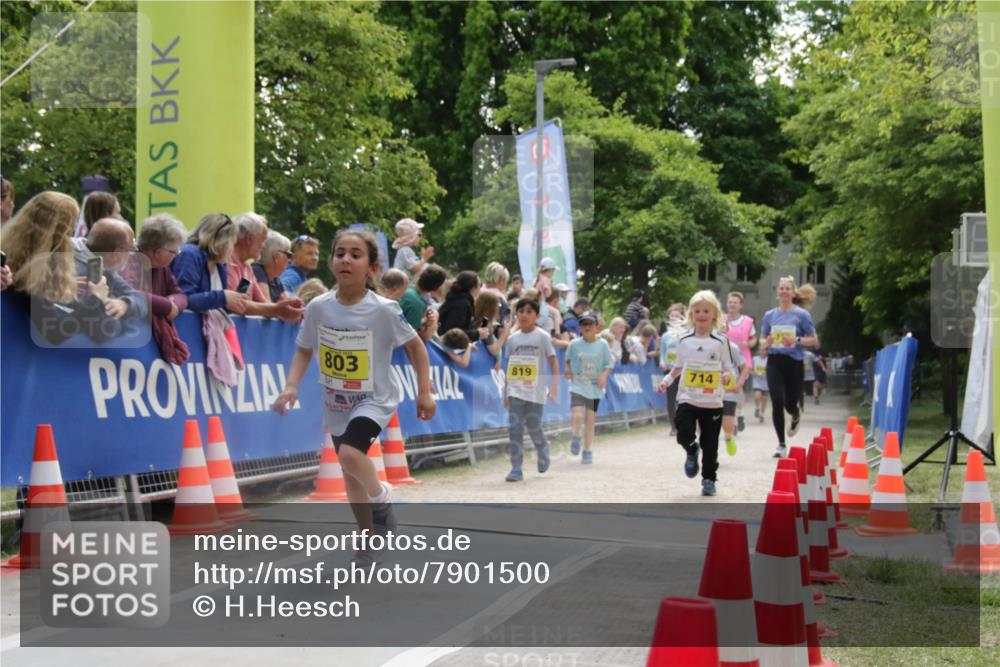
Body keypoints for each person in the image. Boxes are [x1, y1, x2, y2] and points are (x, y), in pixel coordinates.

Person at [272, 229, 435, 565]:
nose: (346, 260)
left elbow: (417, 348)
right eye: (340, 253)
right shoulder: (319, 307)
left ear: (372, 268)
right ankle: (368, 536)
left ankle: (382, 497)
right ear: (332, 261)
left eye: (356, 255)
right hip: (336, 402)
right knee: (350, 474)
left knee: (349, 455)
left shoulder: (384, 310)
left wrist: (424, 391)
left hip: (374, 399)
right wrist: (291, 386)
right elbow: (304, 349)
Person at [2, 191, 120, 343]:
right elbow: (54, 332)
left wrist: (61, 290)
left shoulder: (16, 257)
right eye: (70, 227)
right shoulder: (31, 273)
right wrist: (96, 299)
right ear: (59, 232)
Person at [657, 291, 737, 497]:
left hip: (712, 401)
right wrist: (666, 381)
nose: (701, 315)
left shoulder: (721, 341)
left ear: (714, 314)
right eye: (697, 311)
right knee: (683, 432)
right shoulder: (683, 339)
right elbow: (678, 366)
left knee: (711, 443)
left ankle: (709, 479)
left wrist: (727, 376)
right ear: (691, 314)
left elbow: (729, 367)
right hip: (688, 397)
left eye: (706, 311)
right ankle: (692, 449)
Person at [760, 276, 819, 458]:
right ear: (777, 292)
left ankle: (795, 412)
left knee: (789, 404)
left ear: (793, 293)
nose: (784, 291)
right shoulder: (769, 315)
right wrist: (767, 342)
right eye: (781, 288)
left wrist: (796, 339)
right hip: (774, 361)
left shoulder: (802, 315)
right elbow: (762, 340)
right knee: (777, 400)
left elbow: (814, 340)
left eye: (787, 288)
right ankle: (781, 444)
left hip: (794, 362)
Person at [503, 298, 559, 482]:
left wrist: (554, 387)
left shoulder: (542, 336)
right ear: (516, 315)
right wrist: (506, 391)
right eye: (521, 311)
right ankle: (516, 468)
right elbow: (509, 366)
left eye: (529, 312)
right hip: (515, 389)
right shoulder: (512, 339)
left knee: (534, 426)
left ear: (537, 315)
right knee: (515, 428)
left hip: (536, 390)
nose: (524, 315)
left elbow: (553, 362)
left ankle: (542, 447)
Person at [128, 213, 190, 364]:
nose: (176, 256)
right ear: (157, 252)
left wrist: (174, 304)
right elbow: (129, 293)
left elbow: (180, 295)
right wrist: (166, 306)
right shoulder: (128, 261)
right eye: (173, 252)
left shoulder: (162, 268)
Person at [229, 213, 304, 323]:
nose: (264, 246)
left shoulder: (246, 268)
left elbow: (262, 303)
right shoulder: (227, 262)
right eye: (262, 240)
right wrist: (278, 309)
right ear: (249, 238)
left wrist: (286, 310)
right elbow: (237, 305)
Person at [73, 217, 149, 324]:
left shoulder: (102, 265)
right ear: (117, 253)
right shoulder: (72, 269)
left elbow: (140, 299)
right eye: (131, 249)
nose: (131, 255)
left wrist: (125, 304)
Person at [565, 311, 613, 464]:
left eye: (590, 324)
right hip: (578, 384)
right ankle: (576, 436)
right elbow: (567, 360)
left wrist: (603, 375)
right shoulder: (574, 344)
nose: (587, 327)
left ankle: (587, 450)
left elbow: (608, 364)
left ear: (596, 327)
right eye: (583, 324)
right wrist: (567, 369)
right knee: (577, 415)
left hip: (594, 386)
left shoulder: (603, 344)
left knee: (590, 420)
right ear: (579, 328)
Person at [724, 292, 756, 433]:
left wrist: (747, 344)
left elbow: (754, 339)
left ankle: (739, 414)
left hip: (742, 359)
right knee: (728, 387)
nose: (732, 305)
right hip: (726, 358)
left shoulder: (748, 321)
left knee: (739, 387)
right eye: (730, 302)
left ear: (740, 305)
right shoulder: (722, 319)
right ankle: (733, 419)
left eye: (735, 302)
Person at [658, 303, 688, 436]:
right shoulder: (665, 336)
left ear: (682, 318)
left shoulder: (687, 334)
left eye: (677, 316)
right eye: (672, 316)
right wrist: (662, 362)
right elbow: (662, 353)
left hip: (683, 370)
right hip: (669, 370)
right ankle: (674, 427)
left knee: (684, 398)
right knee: (671, 399)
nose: (674, 318)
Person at [438, 270, 489, 344]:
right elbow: (453, 332)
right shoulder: (462, 304)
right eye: (480, 285)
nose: (480, 289)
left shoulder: (457, 298)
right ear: (473, 288)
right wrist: (477, 334)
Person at [399, 263, 445, 342]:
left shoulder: (405, 287)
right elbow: (412, 337)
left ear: (420, 275)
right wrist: (431, 324)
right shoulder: (417, 304)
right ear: (436, 288)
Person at [720, 336, 750, 457]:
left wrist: (739, 384)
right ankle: (709, 451)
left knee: (727, 427)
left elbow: (745, 368)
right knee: (708, 425)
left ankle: (728, 438)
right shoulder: (703, 344)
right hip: (710, 391)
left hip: (729, 390)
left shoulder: (732, 347)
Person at [253, 230, 293, 303]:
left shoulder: (275, 279)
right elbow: (266, 306)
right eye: (288, 255)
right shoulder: (257, 271)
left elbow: (285, 303)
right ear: (276, 257)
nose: (289, 260)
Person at [474, 289, 509, 359]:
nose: (498, 308)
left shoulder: (475, 318)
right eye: (497, 306)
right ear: (491, 308)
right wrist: (504, 333)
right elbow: (494, 350)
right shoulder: (485, 323)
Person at [751, 344, 769, 423]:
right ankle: (757, 408)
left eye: (763, 350)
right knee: (757, 396)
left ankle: (762, 414)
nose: (762, 352)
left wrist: (767, 373)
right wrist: (754, 372)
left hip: (766, 383)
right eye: (760, 350)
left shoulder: (769, 360)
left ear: (766, 351)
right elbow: (750, 369)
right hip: (757, 382)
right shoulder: (754, 359)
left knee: (764, 399)